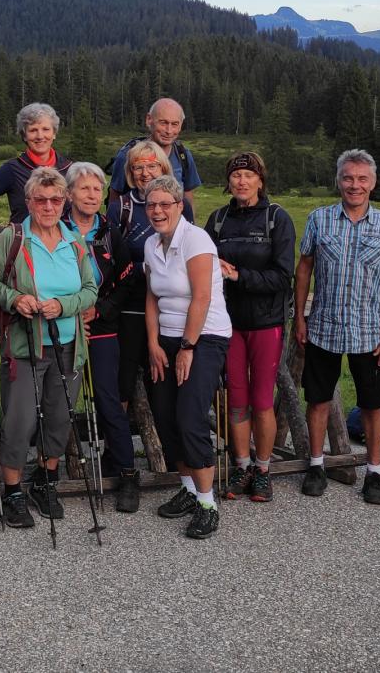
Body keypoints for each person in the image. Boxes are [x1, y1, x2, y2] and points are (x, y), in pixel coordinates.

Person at [0, 167, 98, 528]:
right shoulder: (13, 238)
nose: (48, 206)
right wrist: (16, 300)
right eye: (41, 199)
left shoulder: (75, 241)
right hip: (25, 344)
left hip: (68, 345)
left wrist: (64, 306)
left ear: (64, 202)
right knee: (20, 420)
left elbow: (91, 290)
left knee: (60, 417)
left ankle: (45, 481)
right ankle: (13, 489)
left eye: (55, 199)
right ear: (28, 201)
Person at [293, 149, 380, 506]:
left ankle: (374, 472)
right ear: (338, 180)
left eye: (361, 179)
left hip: (370, 333)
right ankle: (316, 465)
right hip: (324, 327)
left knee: (373, 404)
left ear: (372, 183)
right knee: (317, 398)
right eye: (348, 178)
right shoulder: (319, 219)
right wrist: (299, 317)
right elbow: (304, 269)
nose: (354, 185)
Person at [142, 175, 233, 539]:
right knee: (165, 416)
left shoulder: (196, 239)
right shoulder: (150, 244)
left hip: (204, 336)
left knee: (190, 415)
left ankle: (208, 504)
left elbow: (201, 298)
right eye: (152, 205)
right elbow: (151, 297)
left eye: (166, 204)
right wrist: (153, 344)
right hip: (165, 337)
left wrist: (187, 348)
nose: (158, 211)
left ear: (181, 206)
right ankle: (189, 488)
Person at [204, 152, 295, 504]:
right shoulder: (219, 219)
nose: (241, 181)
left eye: (248, 175)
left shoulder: (277, 219)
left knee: (261, 401)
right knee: (236, 399)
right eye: (236, 175)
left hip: (265, 322)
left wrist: (239, 276)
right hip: (227, 322)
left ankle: (263, 469)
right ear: (228, 181)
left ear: (260, 180)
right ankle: (241, 466)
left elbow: (281, 276)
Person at [61, 161, 141, 513]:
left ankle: (126, 472)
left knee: (108, 398)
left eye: (97, 189)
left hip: (102, 324)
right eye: (84, 188)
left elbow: (127, 280)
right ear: (69, 194)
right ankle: (49, 469)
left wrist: (101, 309)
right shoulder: (56, 228)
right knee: (58, 399)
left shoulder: (110, 231)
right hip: (62, 324)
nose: (92, 195)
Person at [107, 140, 168, 419]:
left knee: (163, 375)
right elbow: (111, 259)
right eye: (138, 167)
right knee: (124, 375)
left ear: (163, 167)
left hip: (168, 305)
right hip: (131, 303)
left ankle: (167, 448)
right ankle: (118, 450)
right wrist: (146, 267)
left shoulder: (177, 204)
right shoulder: (121, 207)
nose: (145, 173)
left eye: (152, 165)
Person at [0, 102, 72, 225]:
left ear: (54, 133)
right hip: (24, 242)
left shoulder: (70, 169)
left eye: (46, 129)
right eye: (33, 130)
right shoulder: (12, 169)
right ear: (24, 136)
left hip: (63, 243)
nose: (40, 136)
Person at [108, 98, 201, 219]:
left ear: (181, 125)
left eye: (174, 124)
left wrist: (190, 228)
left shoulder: (183, 155)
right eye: (163, 123)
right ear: (149, 120)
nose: (169, 131)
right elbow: (115, 196)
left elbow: (187, 194)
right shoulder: (127, 155)